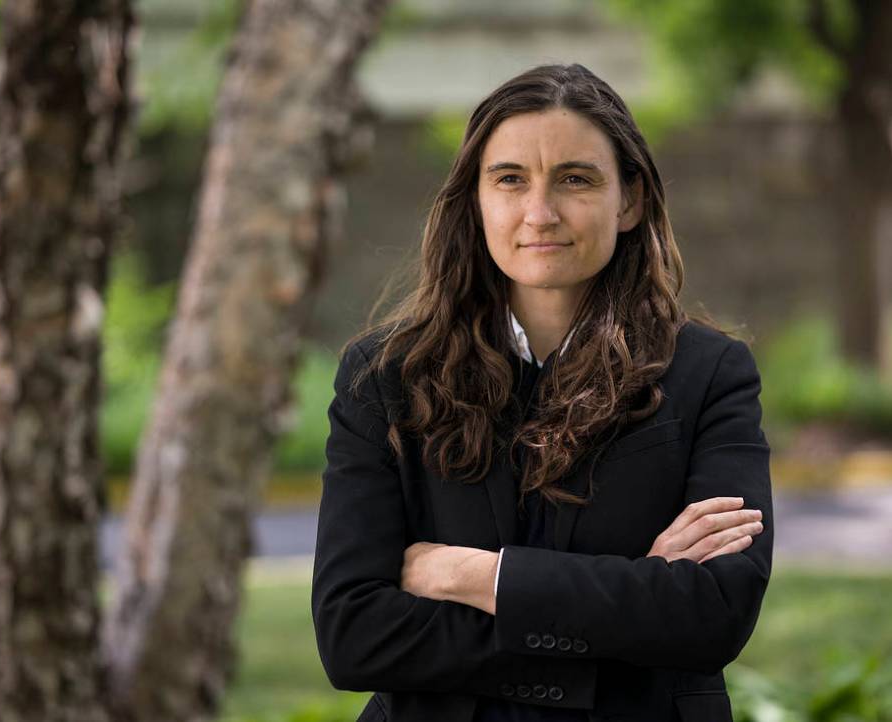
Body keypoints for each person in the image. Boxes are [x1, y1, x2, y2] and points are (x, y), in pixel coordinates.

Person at [311, 63, 772, 722]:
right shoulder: (385, 376)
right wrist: (630, 601)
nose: (540, 212)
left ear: (631, 200)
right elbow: (353, 636)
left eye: (575, 179)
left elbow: (713, 614)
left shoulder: (709, 374)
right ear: (476, 199)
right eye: (510, 180)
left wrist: (471, 577)